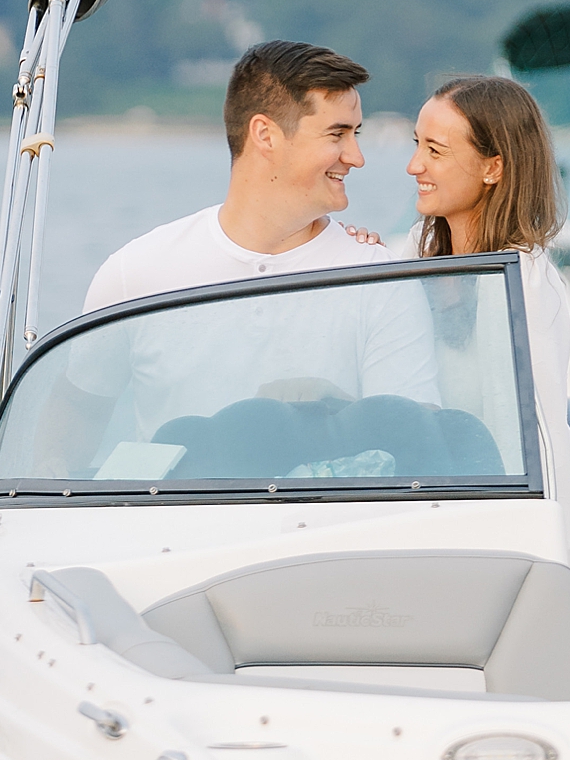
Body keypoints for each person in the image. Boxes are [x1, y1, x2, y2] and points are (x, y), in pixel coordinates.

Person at [40, 42, 437, 471]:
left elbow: (411, 447)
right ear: (265, 135)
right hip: (173, 530)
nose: (356, 157)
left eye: (355, 134)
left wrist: (328, 406)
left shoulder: (382, 280)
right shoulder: (135, 272)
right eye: (337, 134)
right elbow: (68, 430)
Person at [406, 74, 570, 694]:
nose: (415, 165)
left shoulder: (525, 283)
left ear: (494, 167)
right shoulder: (413, 272)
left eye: (436, 151)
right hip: (446, 495)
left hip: (539, 505)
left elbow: (520, 430)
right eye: (418, 144)